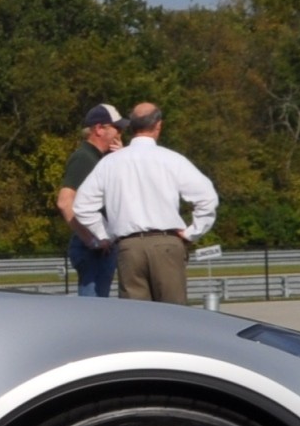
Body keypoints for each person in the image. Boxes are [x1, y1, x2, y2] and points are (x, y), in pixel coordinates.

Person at [71, 103, 218, 303]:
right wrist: (193, 232)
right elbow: (207, 198)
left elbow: (82, 205)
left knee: (137, 319)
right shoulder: (171, 159)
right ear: (158, 125)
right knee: (174, 316)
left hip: (128, 247)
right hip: (166, 243)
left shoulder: (110, 163)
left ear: (132, 126)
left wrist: (105, 234)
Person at [55, 104, 122, 296]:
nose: (120, 133)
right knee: (94, 307)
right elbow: (65, 202)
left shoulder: (102, 159)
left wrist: (124, 156)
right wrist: (91, 239)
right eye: (116, 128)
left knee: (100, 304)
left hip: (102, 245)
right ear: (99, 129)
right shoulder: (84, 158)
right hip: (93, 248)